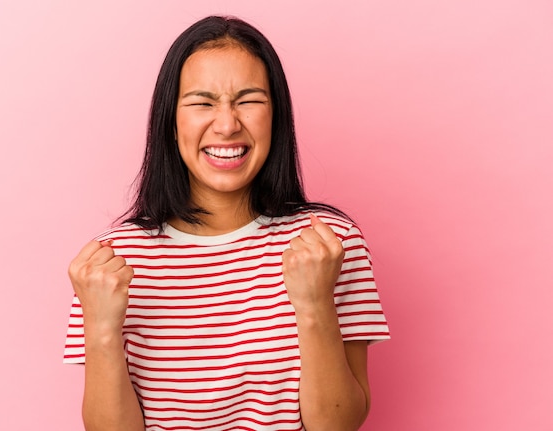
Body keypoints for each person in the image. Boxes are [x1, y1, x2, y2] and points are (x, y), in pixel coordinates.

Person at [64, 15, 389, 431]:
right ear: (171, 120)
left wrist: (314, 306)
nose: (227, 124)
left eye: (249, 100)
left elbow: (339, 425)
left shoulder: (329, 243)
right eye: (202, 102)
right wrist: (102, 329)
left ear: (277, 114)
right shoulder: (111, 264)